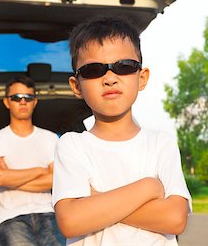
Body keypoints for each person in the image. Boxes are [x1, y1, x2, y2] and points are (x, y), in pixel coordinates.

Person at [53, 16, 191, 245]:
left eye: (124, 66)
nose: (109, 78)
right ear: (76, 86)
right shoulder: (71, 145)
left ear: (142, 77)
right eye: (93, 70)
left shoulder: (161, 143)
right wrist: (148, 187)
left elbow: (175, 219)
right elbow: (71, 221)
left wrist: (95, 201)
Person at [0, 76, 65, 245]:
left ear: (35, 102)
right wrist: (40, 170)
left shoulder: (49, 138)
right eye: (16, 98)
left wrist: (10, 178)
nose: (22, 102)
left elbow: (56, 180)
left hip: (49, 214)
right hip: (10, 218)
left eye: (28, 98)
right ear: (7, 102)